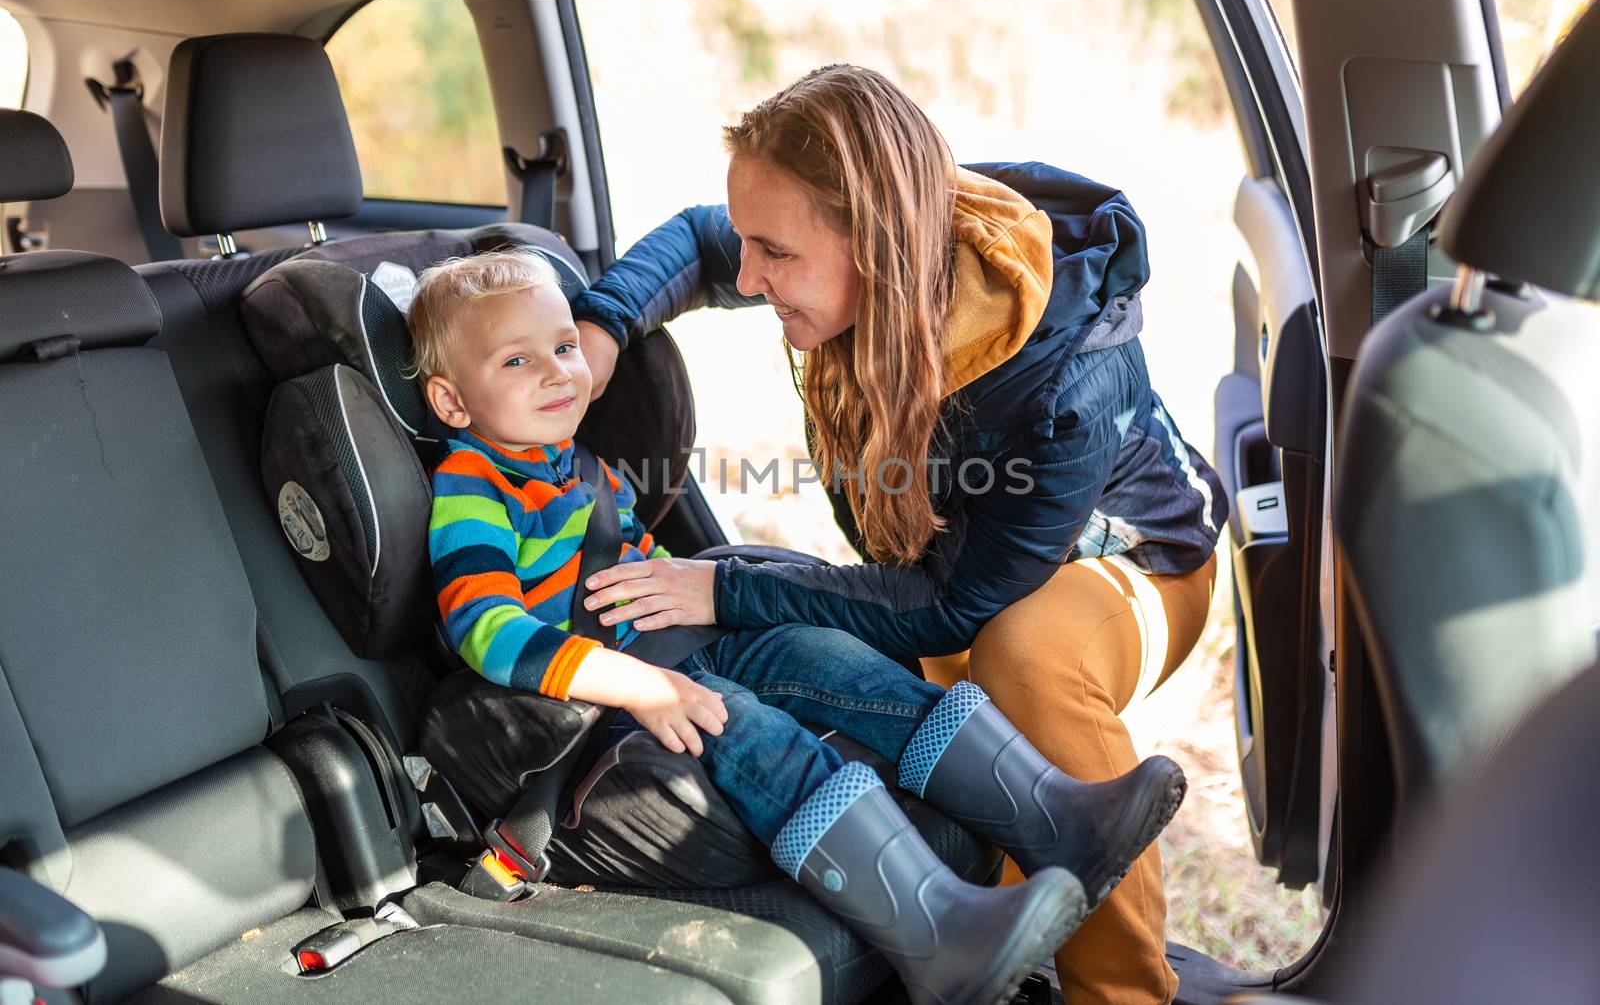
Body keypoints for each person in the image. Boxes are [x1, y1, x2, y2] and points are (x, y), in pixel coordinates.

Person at [569, 64, 1227, 1005]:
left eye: (775, 255)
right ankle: (987, 932)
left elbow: (952, 603)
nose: (749, 278)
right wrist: (599, 330)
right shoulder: (850, 246)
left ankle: (1119, 992)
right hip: (962, 569)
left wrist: (726, 591)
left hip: (1137, 562)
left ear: (871, 243)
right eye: (748, 245)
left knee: (1021, 653)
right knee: (770, 601)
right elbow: (691, 242)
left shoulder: (1060, 384)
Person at [408, 249, 1188, 1005]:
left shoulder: (587, 471)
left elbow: (641, 571)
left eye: (565, 345)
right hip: (598, 699)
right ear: (451, 402)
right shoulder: (473, 485)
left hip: (668, 646)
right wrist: (642, 684)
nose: (555, 370)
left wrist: (699, 595)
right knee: (755, 731)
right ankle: (940, 937)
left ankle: (1053, 814)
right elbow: (490, 631)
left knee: (833, 659)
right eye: (517, 361)